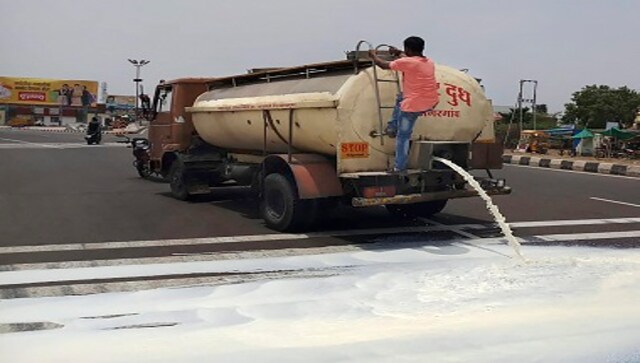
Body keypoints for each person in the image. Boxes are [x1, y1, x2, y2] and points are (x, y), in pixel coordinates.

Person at [369, 36, 439, 172]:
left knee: (403, 137)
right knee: (401, 97)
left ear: (408, 49)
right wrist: (398, 52)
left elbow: (384, 65)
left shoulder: (408, 62)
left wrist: (373, 56)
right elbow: (408, 59)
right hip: (430, 101)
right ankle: (392, 126)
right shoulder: (429, 62)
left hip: (413, 105)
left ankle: (399, 167)